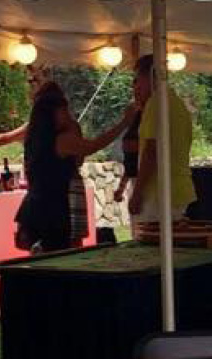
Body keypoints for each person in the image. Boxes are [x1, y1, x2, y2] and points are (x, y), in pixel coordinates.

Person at [15, 82, 136, 253]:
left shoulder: (34, 138)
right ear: (53, 113)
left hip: (34, 207)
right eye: (64, 111)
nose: (68, 115)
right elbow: (92, 146)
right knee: (58, 257)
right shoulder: (62, 141)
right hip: (53, 210)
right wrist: (124, 123)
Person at [129, 54, 195, 222]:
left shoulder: (156, 103)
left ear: (149, 77)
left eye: (137, 80)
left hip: (159, 192)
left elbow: (152, 151)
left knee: (151, 245)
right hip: (178, 190)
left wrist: (137, 193)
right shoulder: (178, 105)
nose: (135, 87)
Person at [114, 76, 144, 208]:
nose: (136, 95)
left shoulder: (148, 116)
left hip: (148, 182)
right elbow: (130, 164)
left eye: (139, 90)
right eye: (134, 91)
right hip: (136, 180)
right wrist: (121, 188)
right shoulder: (135, 116)